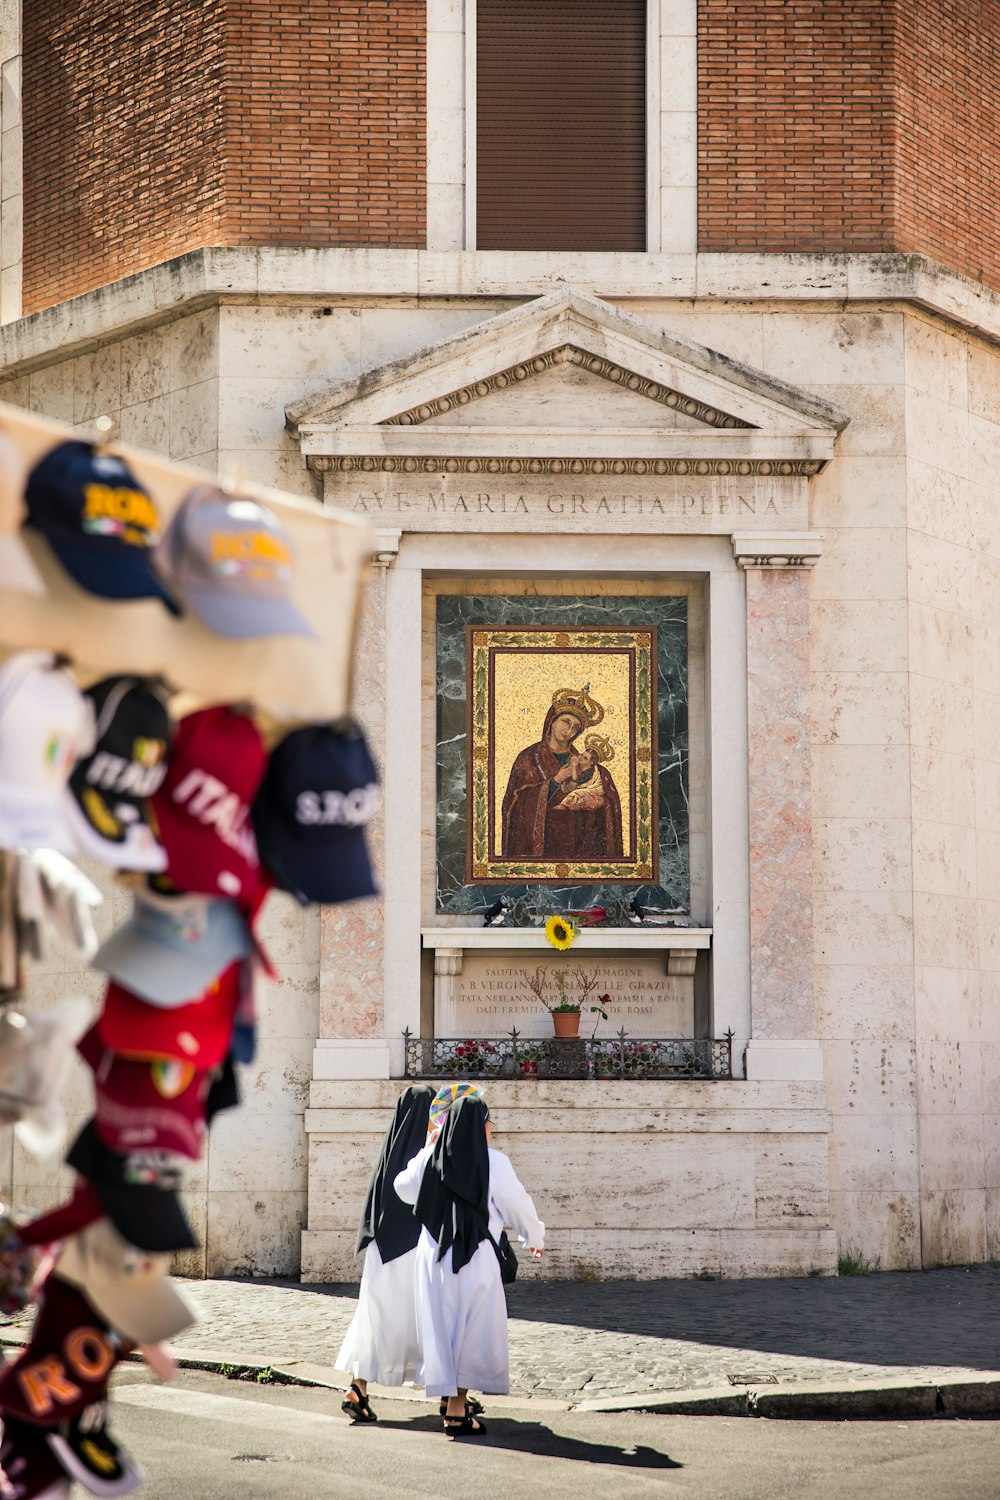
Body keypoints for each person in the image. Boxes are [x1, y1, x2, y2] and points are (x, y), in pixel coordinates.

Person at [394, 1091, 545, 1437]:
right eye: (489, 1121)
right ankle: (458, 1410)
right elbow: (518, 1205)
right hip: (476, 1260)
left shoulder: (431, 1157)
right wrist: (534, 1238)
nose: (492, 1127)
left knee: (440, 1329)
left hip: (432, 1257)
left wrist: (426, 1149)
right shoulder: (495, 1162)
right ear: (480, 1124)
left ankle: (448, 1400)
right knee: (471, 1331)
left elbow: (403, 1187)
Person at [337, 1084, 434, 1424]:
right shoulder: (427, 1155)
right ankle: (454, 1398)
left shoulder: (389, 1153)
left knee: (373, 1318)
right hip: (418, 1249)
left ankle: (357, 1387)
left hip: (382, 1251)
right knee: (431, 1319)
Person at [501, 686, 623, 862]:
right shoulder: (529, 757)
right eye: (566, 722)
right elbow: (513, 806)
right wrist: (555, 780)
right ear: (552, 721)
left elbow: (606, 802)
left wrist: (601, 804)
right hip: (543, 844)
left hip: (577, 844)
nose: (569, 730)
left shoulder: (585, 765)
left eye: (576, 728)